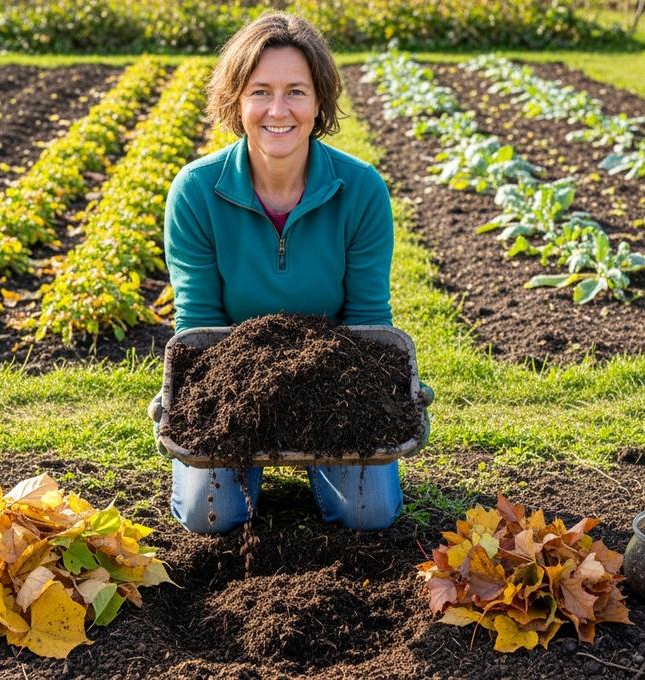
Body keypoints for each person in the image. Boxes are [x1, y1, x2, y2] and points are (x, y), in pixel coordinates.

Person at [153, 11, 427, 534]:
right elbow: (199, 322)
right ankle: (243, 470)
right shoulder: (196, 191)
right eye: (260, 91)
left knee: (368, 514)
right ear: (237, 100)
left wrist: (355, 403)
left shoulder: (361, 190)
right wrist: (216, 406)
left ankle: (325, 468)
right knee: (210, 516)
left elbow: (368, 316)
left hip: (331, 380)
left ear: (319, 100)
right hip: (233, 382)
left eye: (296, 91)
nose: (278, 110)